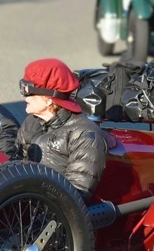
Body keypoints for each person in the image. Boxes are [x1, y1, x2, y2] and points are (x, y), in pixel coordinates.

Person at [16, 58, 108, 200]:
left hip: (54, 212)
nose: (24, 96)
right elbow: (15, 164)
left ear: (48, 99)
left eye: (29, 92)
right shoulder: (31, 122)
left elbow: (77, 193)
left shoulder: (84, 134)